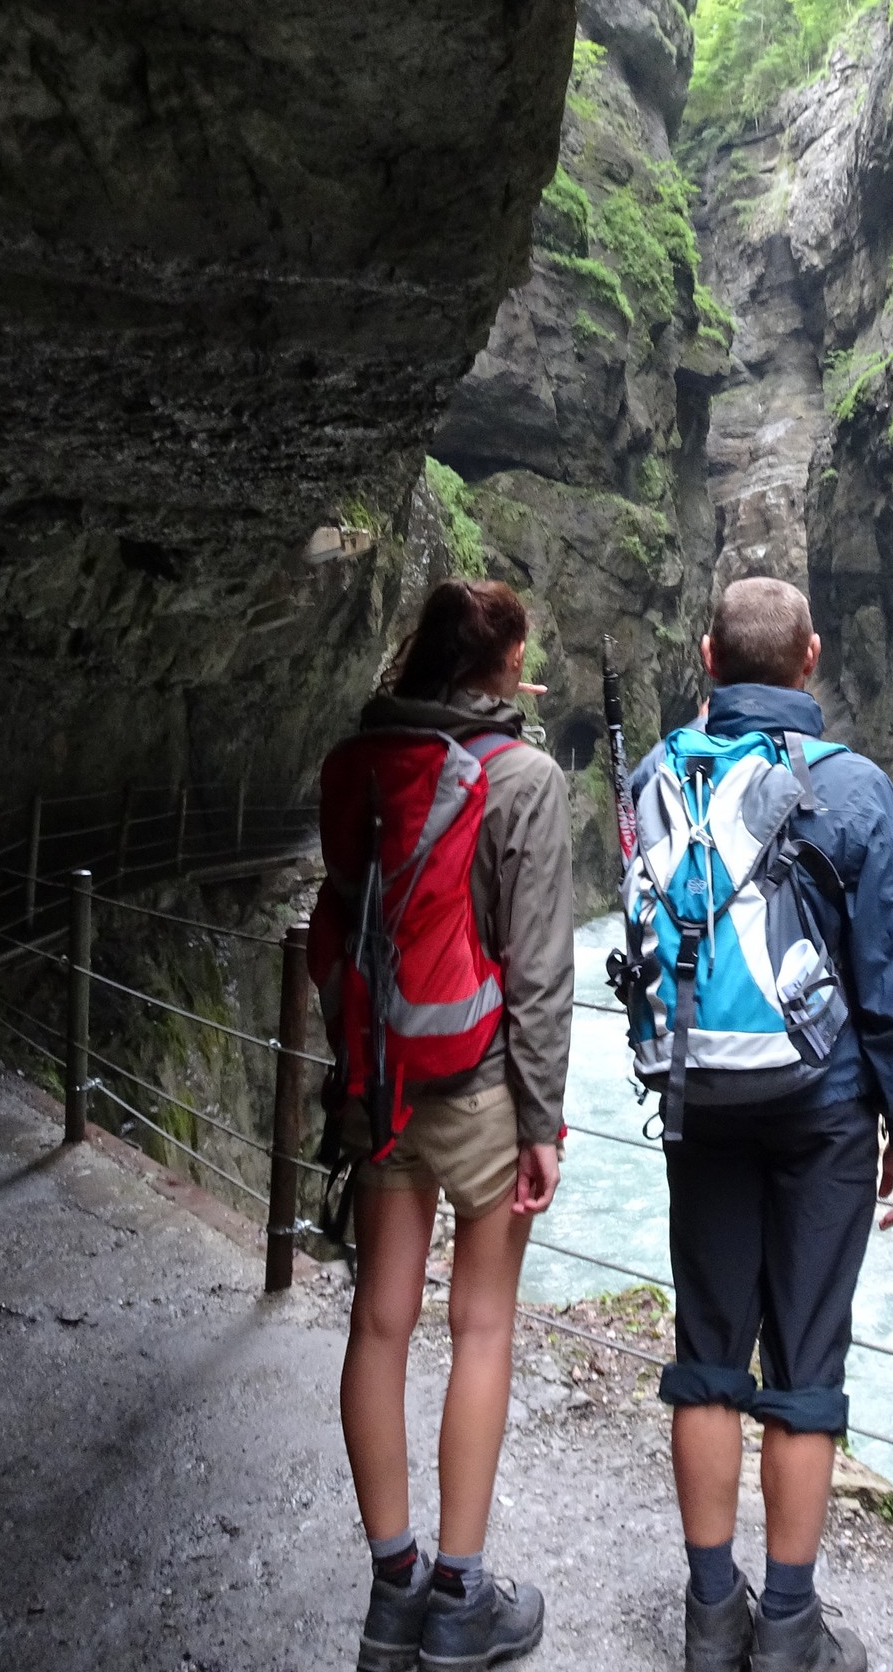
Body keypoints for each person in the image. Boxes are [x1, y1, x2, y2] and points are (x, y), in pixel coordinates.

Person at [634, 577, 893, 1672]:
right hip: (822, 1112)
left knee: (707, 1352)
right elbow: (891, 978)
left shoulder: (655, 776)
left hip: (697, 1098)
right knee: (805, 1362)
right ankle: (790, 1627)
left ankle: (711, 1616)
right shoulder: (853, 790)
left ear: (707, 657)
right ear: (809, 658)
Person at [316, 579, 573, 1672]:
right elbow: (542, 966)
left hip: (379, 1077)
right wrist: (544, 1116)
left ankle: (392, 1588)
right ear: (504, 664)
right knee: (480, 1325)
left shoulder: (361, 762)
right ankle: (461, 1599)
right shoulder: (524, 778)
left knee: (379, 1320)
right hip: (476, 1083)